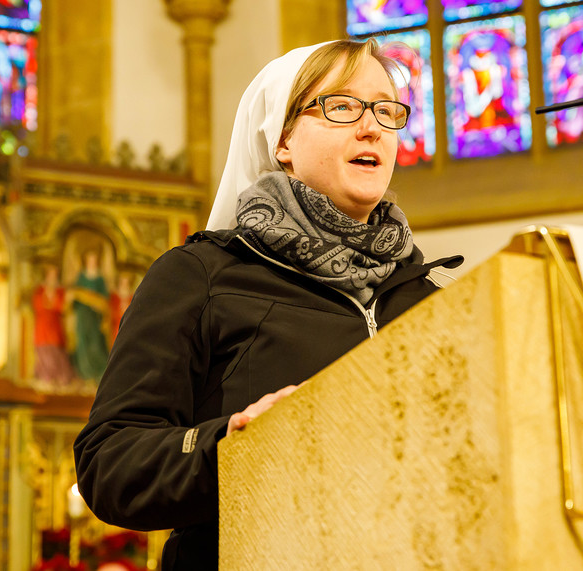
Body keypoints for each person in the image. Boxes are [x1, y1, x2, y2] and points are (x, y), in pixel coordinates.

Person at [73, 39, 462, 570]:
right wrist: (230, 442)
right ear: (282, 139)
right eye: (342, 106)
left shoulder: (431, 296)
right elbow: (109, 463)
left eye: (385, 110)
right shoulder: (200, 277)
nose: (372, 128)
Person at [68, 248, 111, 381]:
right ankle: (85, 374)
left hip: (95, 317)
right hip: (83, 316)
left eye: (94, 259)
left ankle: (99, 374)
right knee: (83, 343)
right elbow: (74, 299)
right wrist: (73, 298)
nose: (92, 262)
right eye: (90, 259)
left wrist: (97, 303)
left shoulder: (100, 279)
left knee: (95, 344)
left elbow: (104, 300)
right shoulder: (80, 277)